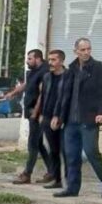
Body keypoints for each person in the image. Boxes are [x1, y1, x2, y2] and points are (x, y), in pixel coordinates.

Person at [54, 37, 102, 198]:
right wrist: (58, 116)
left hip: (89, 119)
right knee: (71, 156)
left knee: (91, 151)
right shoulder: (71, 70)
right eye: (83, 50)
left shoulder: (99, 69)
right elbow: (64, 96)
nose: (86, 52)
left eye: (89, 49)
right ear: (76, 51)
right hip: (70, 121)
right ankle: (72, 188)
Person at [4, 50, 51, 184]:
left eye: (30, 58)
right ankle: (52, 171)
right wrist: (12, 93)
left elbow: (43, 94)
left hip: (37, 112)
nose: (27, 61)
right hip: (31, 110)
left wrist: (36, 112)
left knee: (33, 144)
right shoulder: (33, 71)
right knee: (39, 144)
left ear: (38, 59)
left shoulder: (44, 72)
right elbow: (26, 85)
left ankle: (27, 174)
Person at [36, 49, 68, 190]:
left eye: (54, 60)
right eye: (49, 60)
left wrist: (61, 117)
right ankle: (57, 179)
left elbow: (67, 99)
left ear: (61, 61)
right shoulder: (47, 77)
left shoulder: (69, 76)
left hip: (63, 117)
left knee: (66, 151)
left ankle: (70, 181)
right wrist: (41, 114)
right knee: (53, 150)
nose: (51, 63)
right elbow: (43, 96)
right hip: (48, 117)